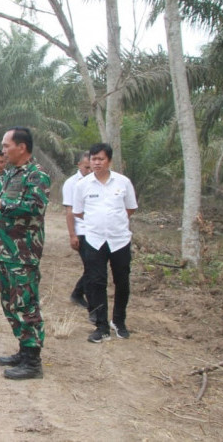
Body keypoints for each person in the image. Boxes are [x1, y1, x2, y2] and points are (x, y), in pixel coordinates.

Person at [0, 127, 50, 380]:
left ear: (22, 147)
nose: (4, 150)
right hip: (5, 251)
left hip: (23, 253)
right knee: (10, 302)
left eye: (7, 146)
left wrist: (1, 204)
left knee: (26, 304)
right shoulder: (10, 175)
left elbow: (35, 207)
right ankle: (23, 348)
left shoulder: (37, 175)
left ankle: (33, 361)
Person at [73, 143, 137, 343]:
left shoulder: (123, 182)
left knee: (122, 281)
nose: (97, 163)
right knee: (95, 282)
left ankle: (119, 321)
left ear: (109, 160)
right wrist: (98, 223)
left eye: (101, 159)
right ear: (89, 161)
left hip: (119, 240)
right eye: (93, 159)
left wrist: (114, 223)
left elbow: (130, 209)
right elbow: (78, 212)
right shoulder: (82, 185)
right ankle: (101, 326)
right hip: (94, 240)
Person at [61, 151, 92, 313]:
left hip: (97, 230)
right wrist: (72, 235)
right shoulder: (71, 183)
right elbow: (69, 211)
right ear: (79, 165)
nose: (89, 170)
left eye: (91, 167)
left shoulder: (97, 181)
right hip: (82, 230)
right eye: (86, 167)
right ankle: (80, 294)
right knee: (92, 267)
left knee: (93, 267)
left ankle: (78, 293)